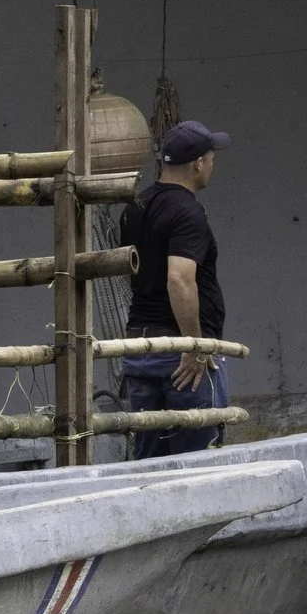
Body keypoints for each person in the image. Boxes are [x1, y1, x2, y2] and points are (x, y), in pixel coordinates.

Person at [119, 119, 231, 459]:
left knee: (150, 460)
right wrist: (193, 346)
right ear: (198, 163)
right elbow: (179, 279)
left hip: (139, 347)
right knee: (198, 460)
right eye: (212, 158)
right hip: (180, 356)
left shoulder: (135, 207)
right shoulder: (187, 212)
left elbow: (132, 273)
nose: (213, 164)